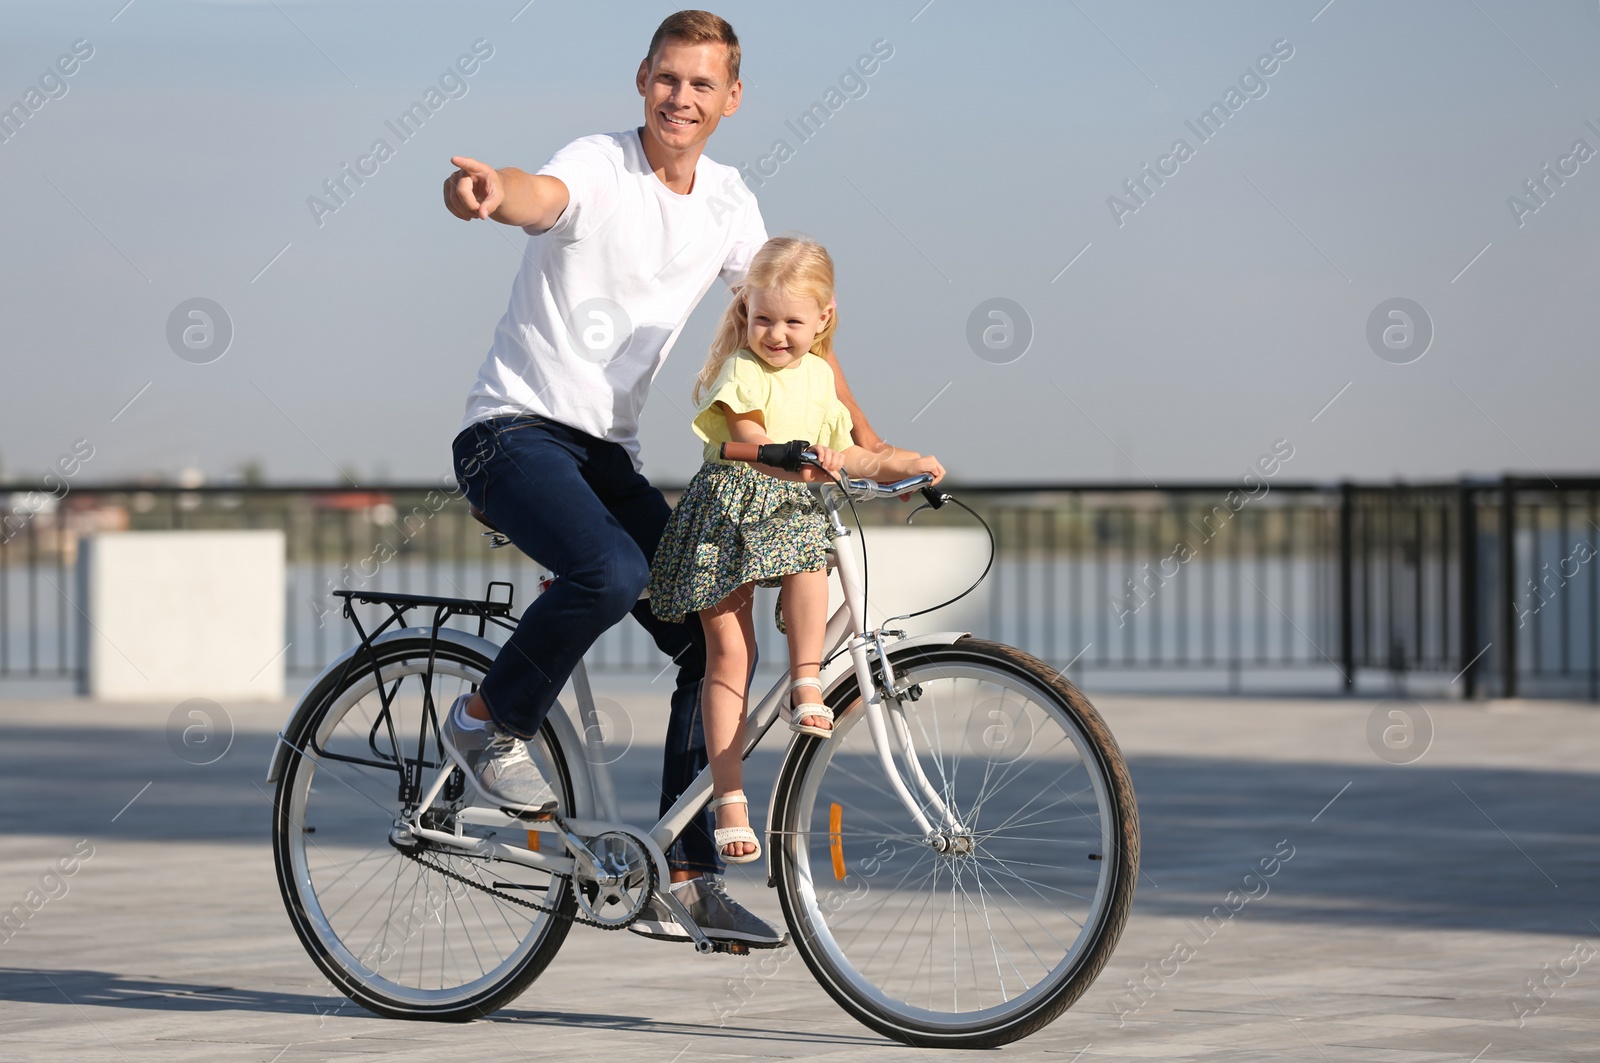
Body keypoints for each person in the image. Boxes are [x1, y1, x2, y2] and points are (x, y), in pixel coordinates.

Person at [435, 11, 935, 948]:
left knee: (712, 637)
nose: (681, 97)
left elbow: (793, 329)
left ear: (731, 99)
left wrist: (868, 443)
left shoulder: (728, 203)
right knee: (613, 573)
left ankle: (685, 869)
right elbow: (540, 196)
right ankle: (482, 719)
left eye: (702, 85)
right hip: (509, 435)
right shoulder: (597, 163)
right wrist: (490, 190)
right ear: (642, 80)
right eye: (668, 78)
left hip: (602, 454)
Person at [647, 237, 943, 863]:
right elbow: (749, 436)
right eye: (762, 319)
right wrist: (792, 457)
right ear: (746, 314)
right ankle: (730, 797)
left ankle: (806, 679)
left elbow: (852, 452)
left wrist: (901, 465)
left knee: (811, 558)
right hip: (730, 507)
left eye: (791, 322)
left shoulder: (818, 379)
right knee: (731, 652)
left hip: (792, 509)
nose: (775, 334)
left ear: (823, 319)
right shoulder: (741, 369)